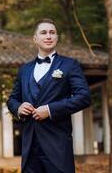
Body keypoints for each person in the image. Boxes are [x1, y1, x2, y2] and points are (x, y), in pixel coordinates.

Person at [7, 18, 91, 173]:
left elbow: (84, 97)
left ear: (57, 38)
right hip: (30, 146)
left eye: (52, 33)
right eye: (43, 33)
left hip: (57, 145)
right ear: (35, 39)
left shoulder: (69, 65)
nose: (48, 36)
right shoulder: (24, 70)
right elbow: (12, 99)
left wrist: (51, 109)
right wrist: (18, 107)